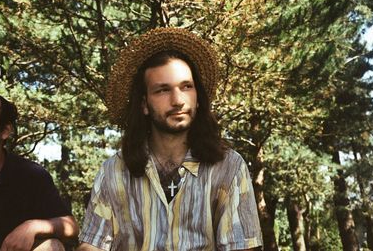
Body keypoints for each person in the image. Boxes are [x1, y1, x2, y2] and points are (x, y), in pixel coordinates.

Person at [78, 28, 263, 250]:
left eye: (186, 87)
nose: (178, 100)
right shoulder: (113, 172)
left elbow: (242, 246)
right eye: (163, 90)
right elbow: (91, 245)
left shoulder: (229, 168)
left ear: (197, 96)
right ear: (144, 104)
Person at [0, 91, 79, 251]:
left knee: (51, 247)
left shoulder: (29, 175)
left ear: (5, 131)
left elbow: (72, 226)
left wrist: (33, 226)